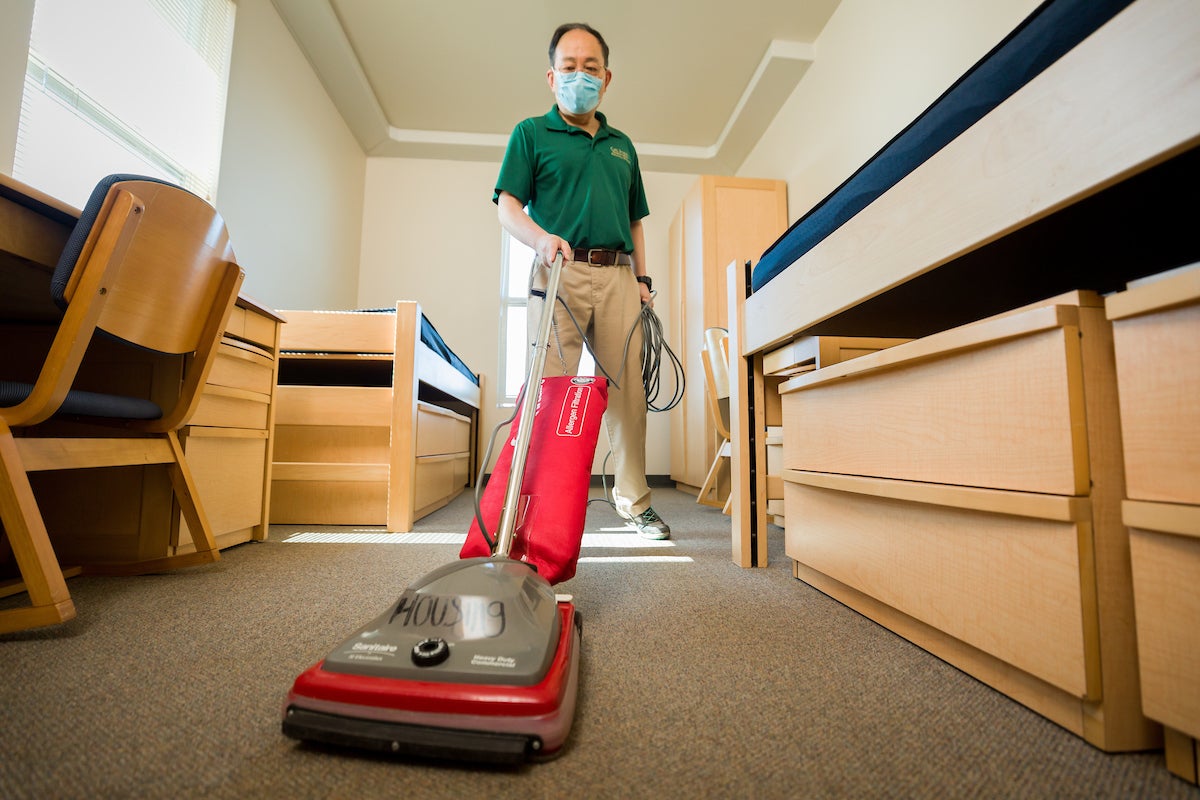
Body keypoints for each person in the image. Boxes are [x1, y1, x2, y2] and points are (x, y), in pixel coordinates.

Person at [492, 22, 669, 540]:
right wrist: (542, 239)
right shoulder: (530, 133)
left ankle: (634, 502)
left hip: (618, 276)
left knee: (629, 394)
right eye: (569, 67)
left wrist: (642, 279)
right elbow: (507, 207)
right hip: (559, 271)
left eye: (590, 68)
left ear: (606, 78)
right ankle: (536, 508)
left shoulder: (622, 146)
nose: (579, 76)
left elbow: (635, 221)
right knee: (550, 391)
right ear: (552, 76)